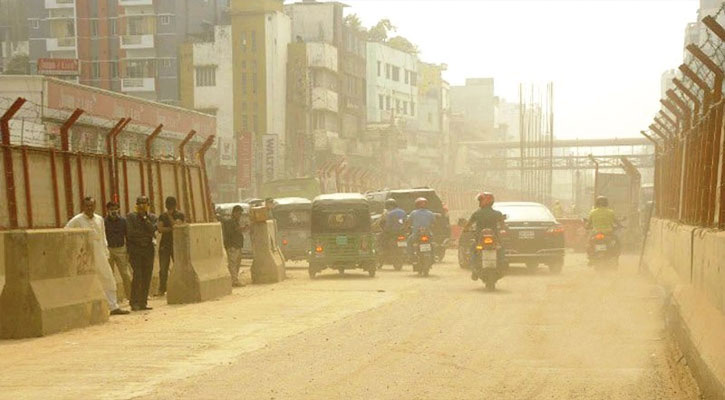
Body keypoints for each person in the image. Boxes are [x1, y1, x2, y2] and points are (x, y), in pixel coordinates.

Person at [66, 197, 129, 315]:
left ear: (95, 206)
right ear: (83, 207)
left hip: (100, 253)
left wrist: (106, 252)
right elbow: (66, 232)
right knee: (87, 281)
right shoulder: (77, 220)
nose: (89, 208)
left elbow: (103, 235)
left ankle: (113, 306)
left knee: (108, 277)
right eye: (87, 205)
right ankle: (86, 310)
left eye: (91, 205)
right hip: (85, 255)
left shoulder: (99, 219)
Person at [464, 192, 506, 280]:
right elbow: (503, 226)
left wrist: (465, 230)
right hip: (495, 240)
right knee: (501, 249)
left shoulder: (477, 213)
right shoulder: (498, 214)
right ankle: (502, 266)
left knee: (473, 250)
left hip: (479, 240)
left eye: (480, 200)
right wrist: (503, 230)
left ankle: (474, 269)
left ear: (485, 201)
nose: (479, 203)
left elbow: (468, 225)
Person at [126, 195, 157, 311]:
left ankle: (143, 302)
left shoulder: (153, 217)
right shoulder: (131, 217)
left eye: (144, 203)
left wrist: (144, 219)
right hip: (136, 250)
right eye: (139, 203)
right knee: (137, 275)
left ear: (148, 205)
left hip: (148, 250)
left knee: (147, 276)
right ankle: (134, 302)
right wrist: (144, 237)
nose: (141, 205)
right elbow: (130, 234)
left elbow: (152, 230)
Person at [156, 196, 185, 296]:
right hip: (165, 245)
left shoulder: (179, 215)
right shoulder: (162, 216)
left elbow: (177, 227)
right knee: (163, 268)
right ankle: (162, 289)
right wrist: (171, 228)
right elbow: (160, 229)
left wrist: (169, 217)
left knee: (178, 267)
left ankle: (180, 287)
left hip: (176, 245)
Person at [104, 201, 132, 301]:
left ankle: (130, 297)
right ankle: (113, 300)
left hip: (121, 249)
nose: (114, 211)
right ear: (107, 210)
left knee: (126, 274)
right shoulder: (104, 222)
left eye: (115, 209)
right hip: (109, 249)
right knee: (110, 276)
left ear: (119, 209)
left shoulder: (123, 221)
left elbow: (128, 236)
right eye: (111, 209)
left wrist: (128, 251)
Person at [222, 205, 248, 287]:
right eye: (239, 214)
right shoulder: (230, 222)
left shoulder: (235, 222)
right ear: (234, 213)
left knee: (236, 264)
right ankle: (234, 281)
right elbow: (232, 233)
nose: (240, 216)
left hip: (237, 245)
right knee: (233, 264)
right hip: (232, 246)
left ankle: (234, 279)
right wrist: (242, 229)